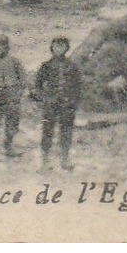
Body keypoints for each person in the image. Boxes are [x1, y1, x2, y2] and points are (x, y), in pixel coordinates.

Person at [33, 35, 82, 172]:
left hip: (67, 104)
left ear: (67, 48)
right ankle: (45, 159)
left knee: (66, 130)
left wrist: (74, 101)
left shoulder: (72, 66)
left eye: (62, 46)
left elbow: (78, 86)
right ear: (51, 48)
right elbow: (38, 84)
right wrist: (43, 98)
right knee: (47, 130)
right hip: (50, 104)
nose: (58, 49)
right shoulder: (46, 66)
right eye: (56, 46)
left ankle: (65, 158)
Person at [0, 33, 27, 160]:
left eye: (2, 46)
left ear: (7, 48)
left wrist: (19, 91)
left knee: (12, 120)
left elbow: (23, 77)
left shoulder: (14, 61)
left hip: (12, 94)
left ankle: (9, 145)